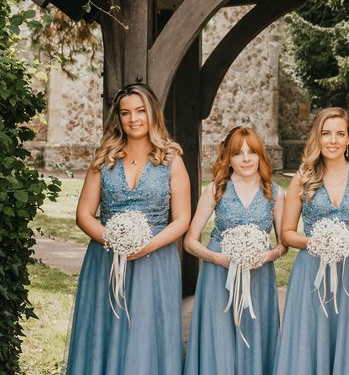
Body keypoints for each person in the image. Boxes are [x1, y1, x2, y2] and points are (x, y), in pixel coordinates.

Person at [66, 83, 191, 374]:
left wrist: (145, 247)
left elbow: (182, 219)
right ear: (118, 118)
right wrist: (113, 240)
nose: (133, 119)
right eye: (126, 113)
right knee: (104, 327)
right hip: (105, 258)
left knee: (146, 332)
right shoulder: (104, 158)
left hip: (155, 261)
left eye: (140, 111)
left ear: (152, 114)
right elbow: (84, 215)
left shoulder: (172, 160)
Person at [273, 107, 349, 375]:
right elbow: (287, 233)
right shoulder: (303, 178)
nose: (332, 140)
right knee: (310, 341)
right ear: (317, 137)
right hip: (311, 272)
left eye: (339, 134)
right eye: (326, 134)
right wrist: (316, 242)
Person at [183, 126, 285, 374]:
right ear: (228, 157)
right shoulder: (216, 189)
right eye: (239, 153)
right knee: (219, 335)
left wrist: (267, 255)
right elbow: (190, 241)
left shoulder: (275, 193)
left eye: (252, 152)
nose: (247, 159)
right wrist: (217, 258)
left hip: (258, 276)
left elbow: (284, 244)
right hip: (218, 275)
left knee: (255, 334)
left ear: (261, 155)